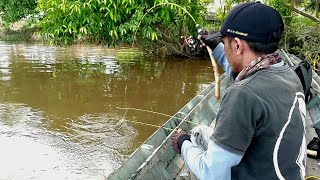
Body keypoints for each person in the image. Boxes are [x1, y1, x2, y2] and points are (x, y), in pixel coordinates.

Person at [171, 2, 306, 180]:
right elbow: (245, 74)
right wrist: (215, 46)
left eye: (224, 43)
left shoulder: (242, 94)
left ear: (236, 45)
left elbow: (212, 174)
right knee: (201, 132)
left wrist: (183, 144)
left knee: (194, 138)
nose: (224, 48)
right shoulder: (287, 73)